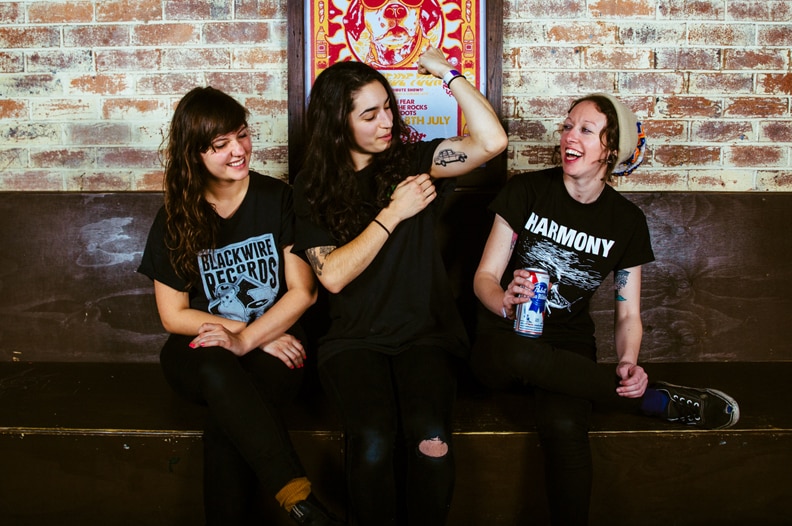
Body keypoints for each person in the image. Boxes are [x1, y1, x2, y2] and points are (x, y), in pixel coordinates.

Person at [469, 92, 740, 525]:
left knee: (565, 427)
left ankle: (633, 395)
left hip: (569, 347)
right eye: (567, 126)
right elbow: (485, 277)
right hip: (504, 340)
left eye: (585, 130)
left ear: (610, 151)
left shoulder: (625, 221)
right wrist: (502, 302)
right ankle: (655, 403)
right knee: (519, 353)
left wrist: (629, 363)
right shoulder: (525, 191)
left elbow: (628, 313)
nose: (569, 137)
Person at [291, 47, 508, 526]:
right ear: (336, 124)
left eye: (387, 106)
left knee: (431, 440)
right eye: (369, 114)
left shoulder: (414, 160)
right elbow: (332, 275)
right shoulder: (311, 188)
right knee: (371, 440)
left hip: (426, 334)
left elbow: (492, 142)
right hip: (354, 342)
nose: (386, 121)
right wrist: (393, 212)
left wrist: (448, 74)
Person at [137, 87, 343, 526]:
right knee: (213, 363)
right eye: (221, 145)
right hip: (205, 347)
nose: (239, 151)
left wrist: (249, 337)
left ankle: (299, 503)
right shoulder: (176, 216)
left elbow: (303, 292)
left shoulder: (278, 198)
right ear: (194, 154)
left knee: (225, 427)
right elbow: (174, 315)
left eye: (243, 135)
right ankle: (300, 499)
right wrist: (237, 336)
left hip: (278, 342)